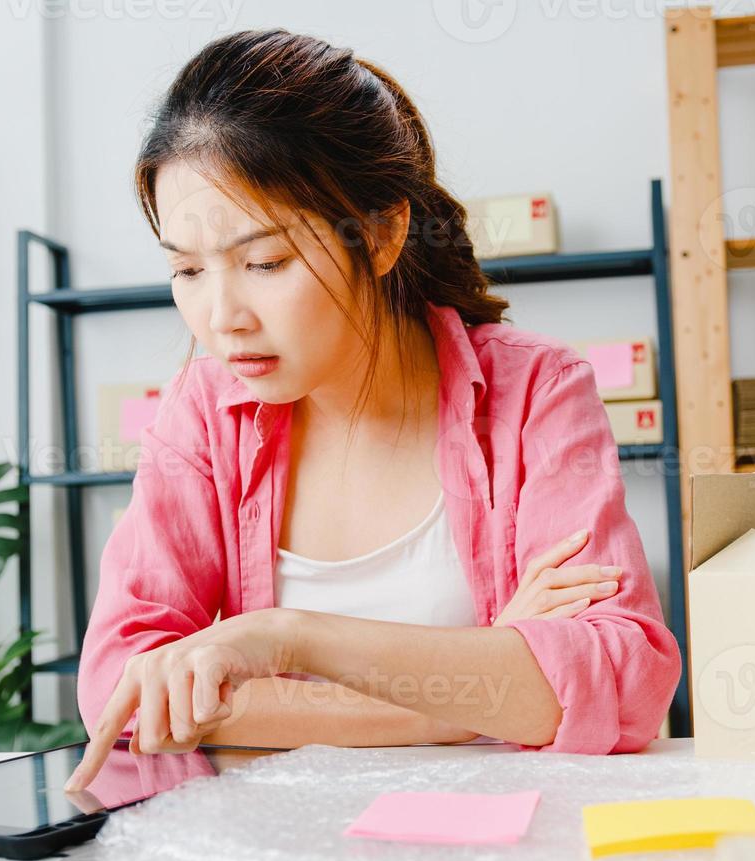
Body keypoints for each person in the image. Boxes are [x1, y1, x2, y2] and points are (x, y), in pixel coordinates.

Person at [65, 28, 680, 792]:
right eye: (186, 270)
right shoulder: (203, 412)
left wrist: (285, 641)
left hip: (500, 837)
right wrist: (480, 683)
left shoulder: (534, 392)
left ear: (384, 233)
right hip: (279, 850)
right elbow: (122, 690)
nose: (222, 317)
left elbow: (622, 687)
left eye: (264, 263)